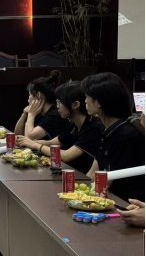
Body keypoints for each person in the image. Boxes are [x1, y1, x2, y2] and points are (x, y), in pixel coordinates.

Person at [16, 81, 103, 175]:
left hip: (84, 176)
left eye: (60, 102)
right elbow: (52, 143)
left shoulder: (93, 127)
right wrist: (26, 141)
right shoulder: (74, 124)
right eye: (57, 102)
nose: (57, 106)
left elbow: (66, 156)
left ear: (75, 105)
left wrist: (35, 145)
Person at [84, 73, 145, 202]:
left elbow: (108, 183)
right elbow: (93, 173)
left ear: (98, 102)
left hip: (128, 203)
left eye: (87, 97)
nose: (85, 101)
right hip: (109, 197)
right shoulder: (105, 129)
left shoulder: (126, 135)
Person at [14, 70, 69, 140]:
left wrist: (31, 114)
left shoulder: (54, 115)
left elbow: (30, 138)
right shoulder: (39, 112)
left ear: (38, 95)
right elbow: (17, 135)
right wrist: (24, 114)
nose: (28, 99)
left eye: (30, 94)